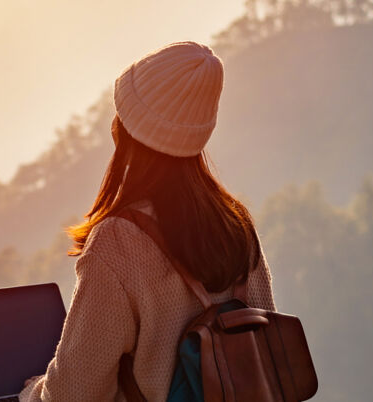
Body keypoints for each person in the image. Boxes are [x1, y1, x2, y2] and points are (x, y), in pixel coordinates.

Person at [19, 41, 276, 402]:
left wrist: (31, 392)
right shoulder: (236, 225)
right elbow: (264, 354)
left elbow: (74, 394)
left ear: (125, 130)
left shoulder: (118, 242)